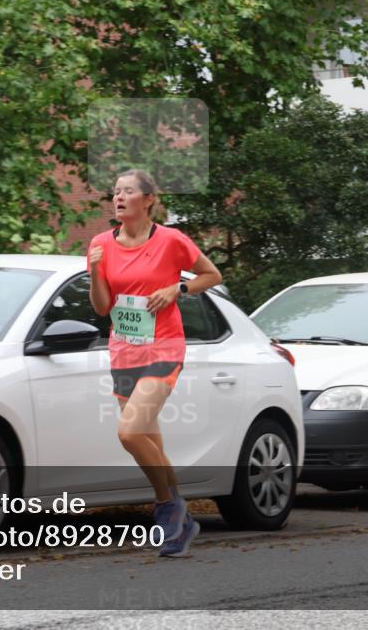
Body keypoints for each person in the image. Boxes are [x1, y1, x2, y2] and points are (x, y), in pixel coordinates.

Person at [87, 168, 223, 557]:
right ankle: (181, 527)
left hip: (164, 348)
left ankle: (166, 506)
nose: (118, 197)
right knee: (150, 440)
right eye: (115, 192)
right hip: (124, 350)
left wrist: (176, 288)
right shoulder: (99, 244)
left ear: (147, 200)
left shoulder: (171, 241)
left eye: (128, 191)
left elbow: (211, 275)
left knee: (129, 433)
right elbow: (101, 306)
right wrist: (96, 270)